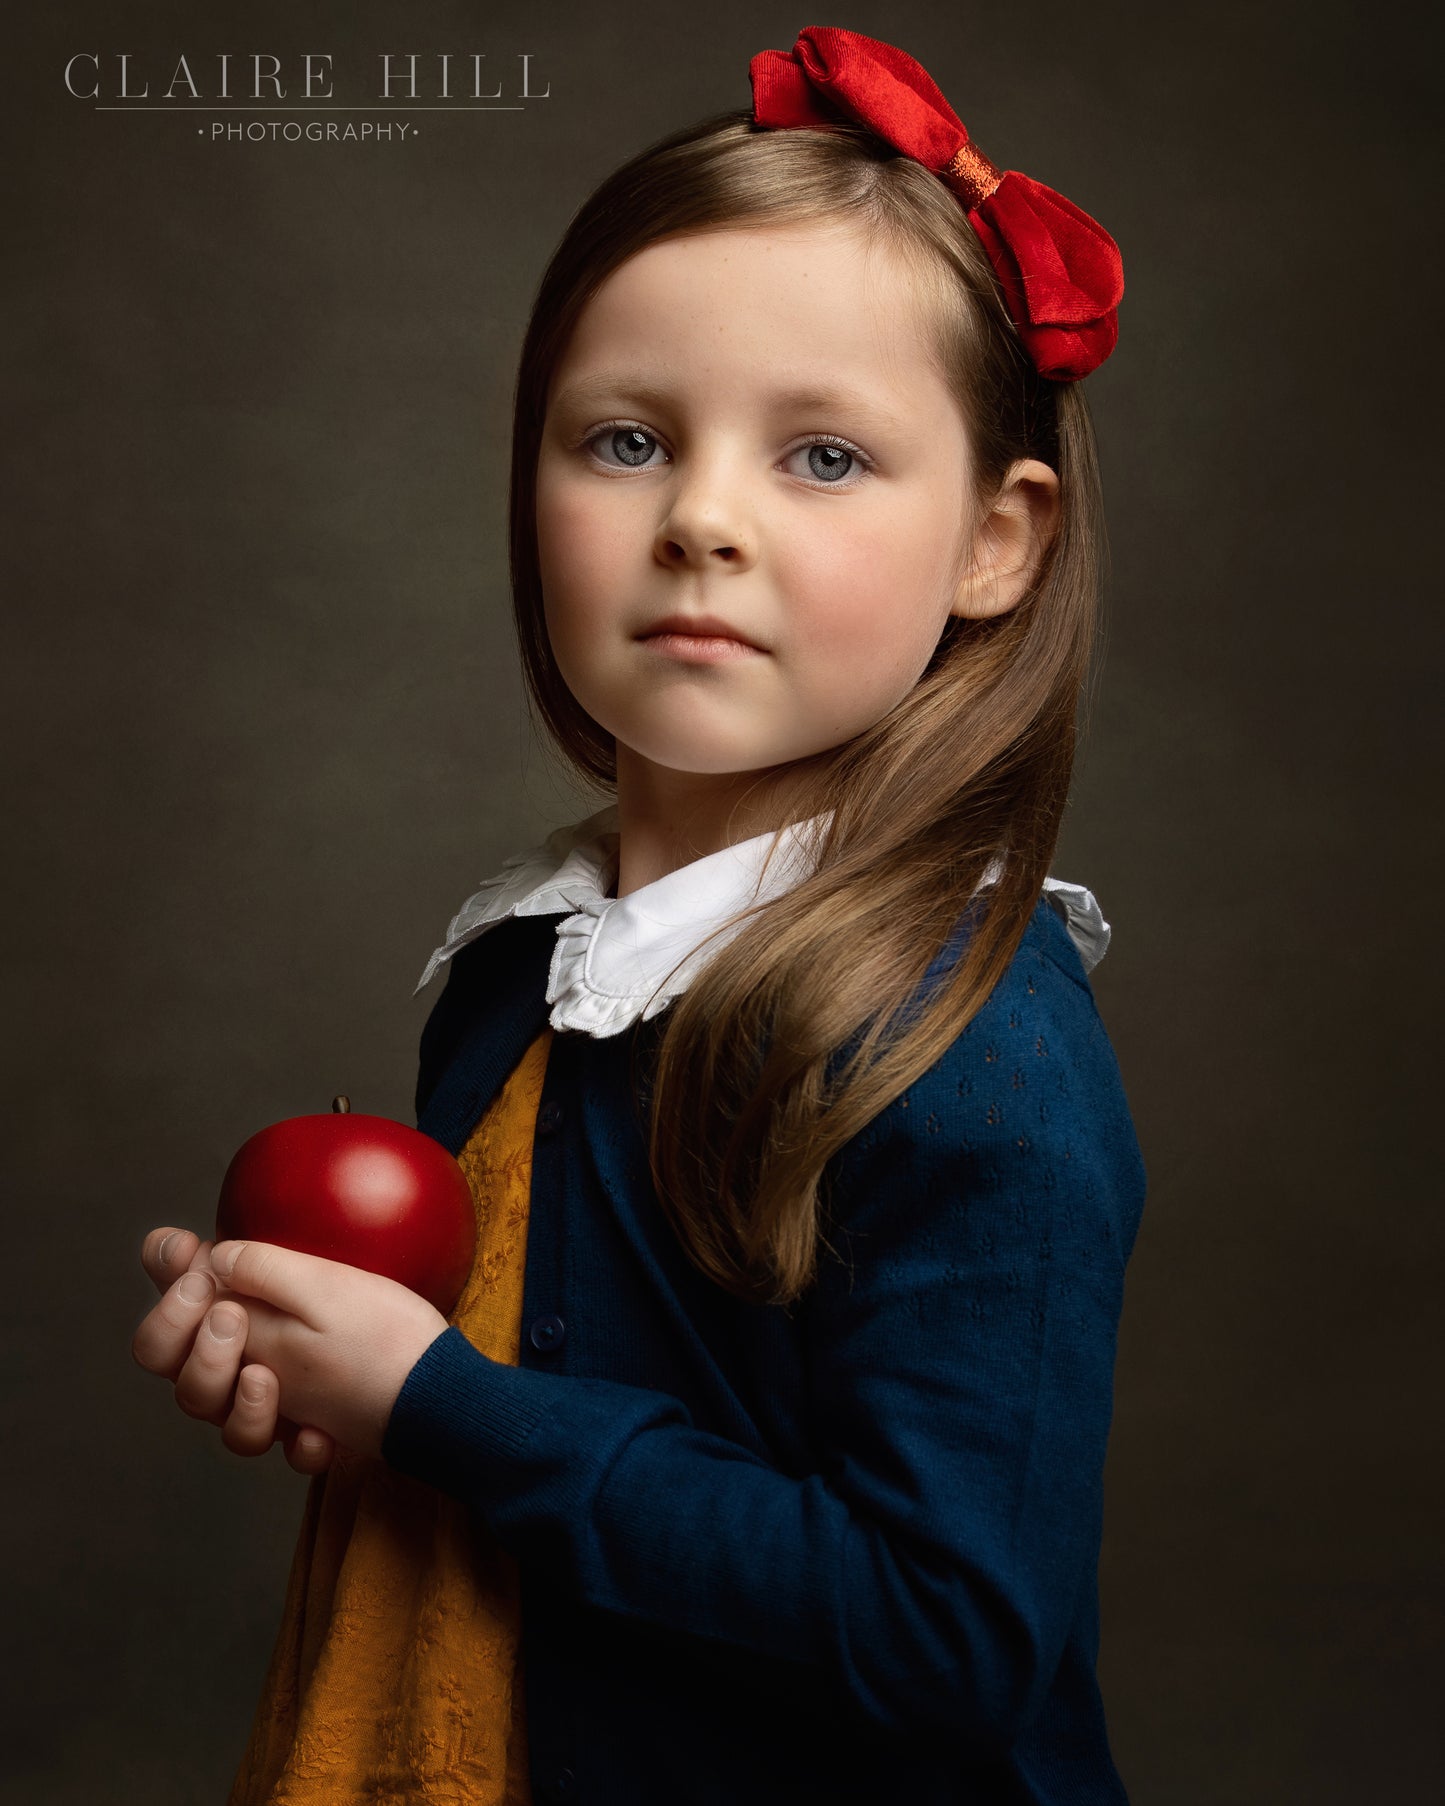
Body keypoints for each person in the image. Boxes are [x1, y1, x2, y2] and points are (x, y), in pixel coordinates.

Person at [131, 27, 1146, 1805]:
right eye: (622, 439)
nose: (698, 519)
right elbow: (532, 1423)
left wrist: (443, 1406)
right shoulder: (528, 965)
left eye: (821, 458)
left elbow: (948, 1634)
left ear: (999, 542)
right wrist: (321, 1365)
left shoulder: (972, 1047)